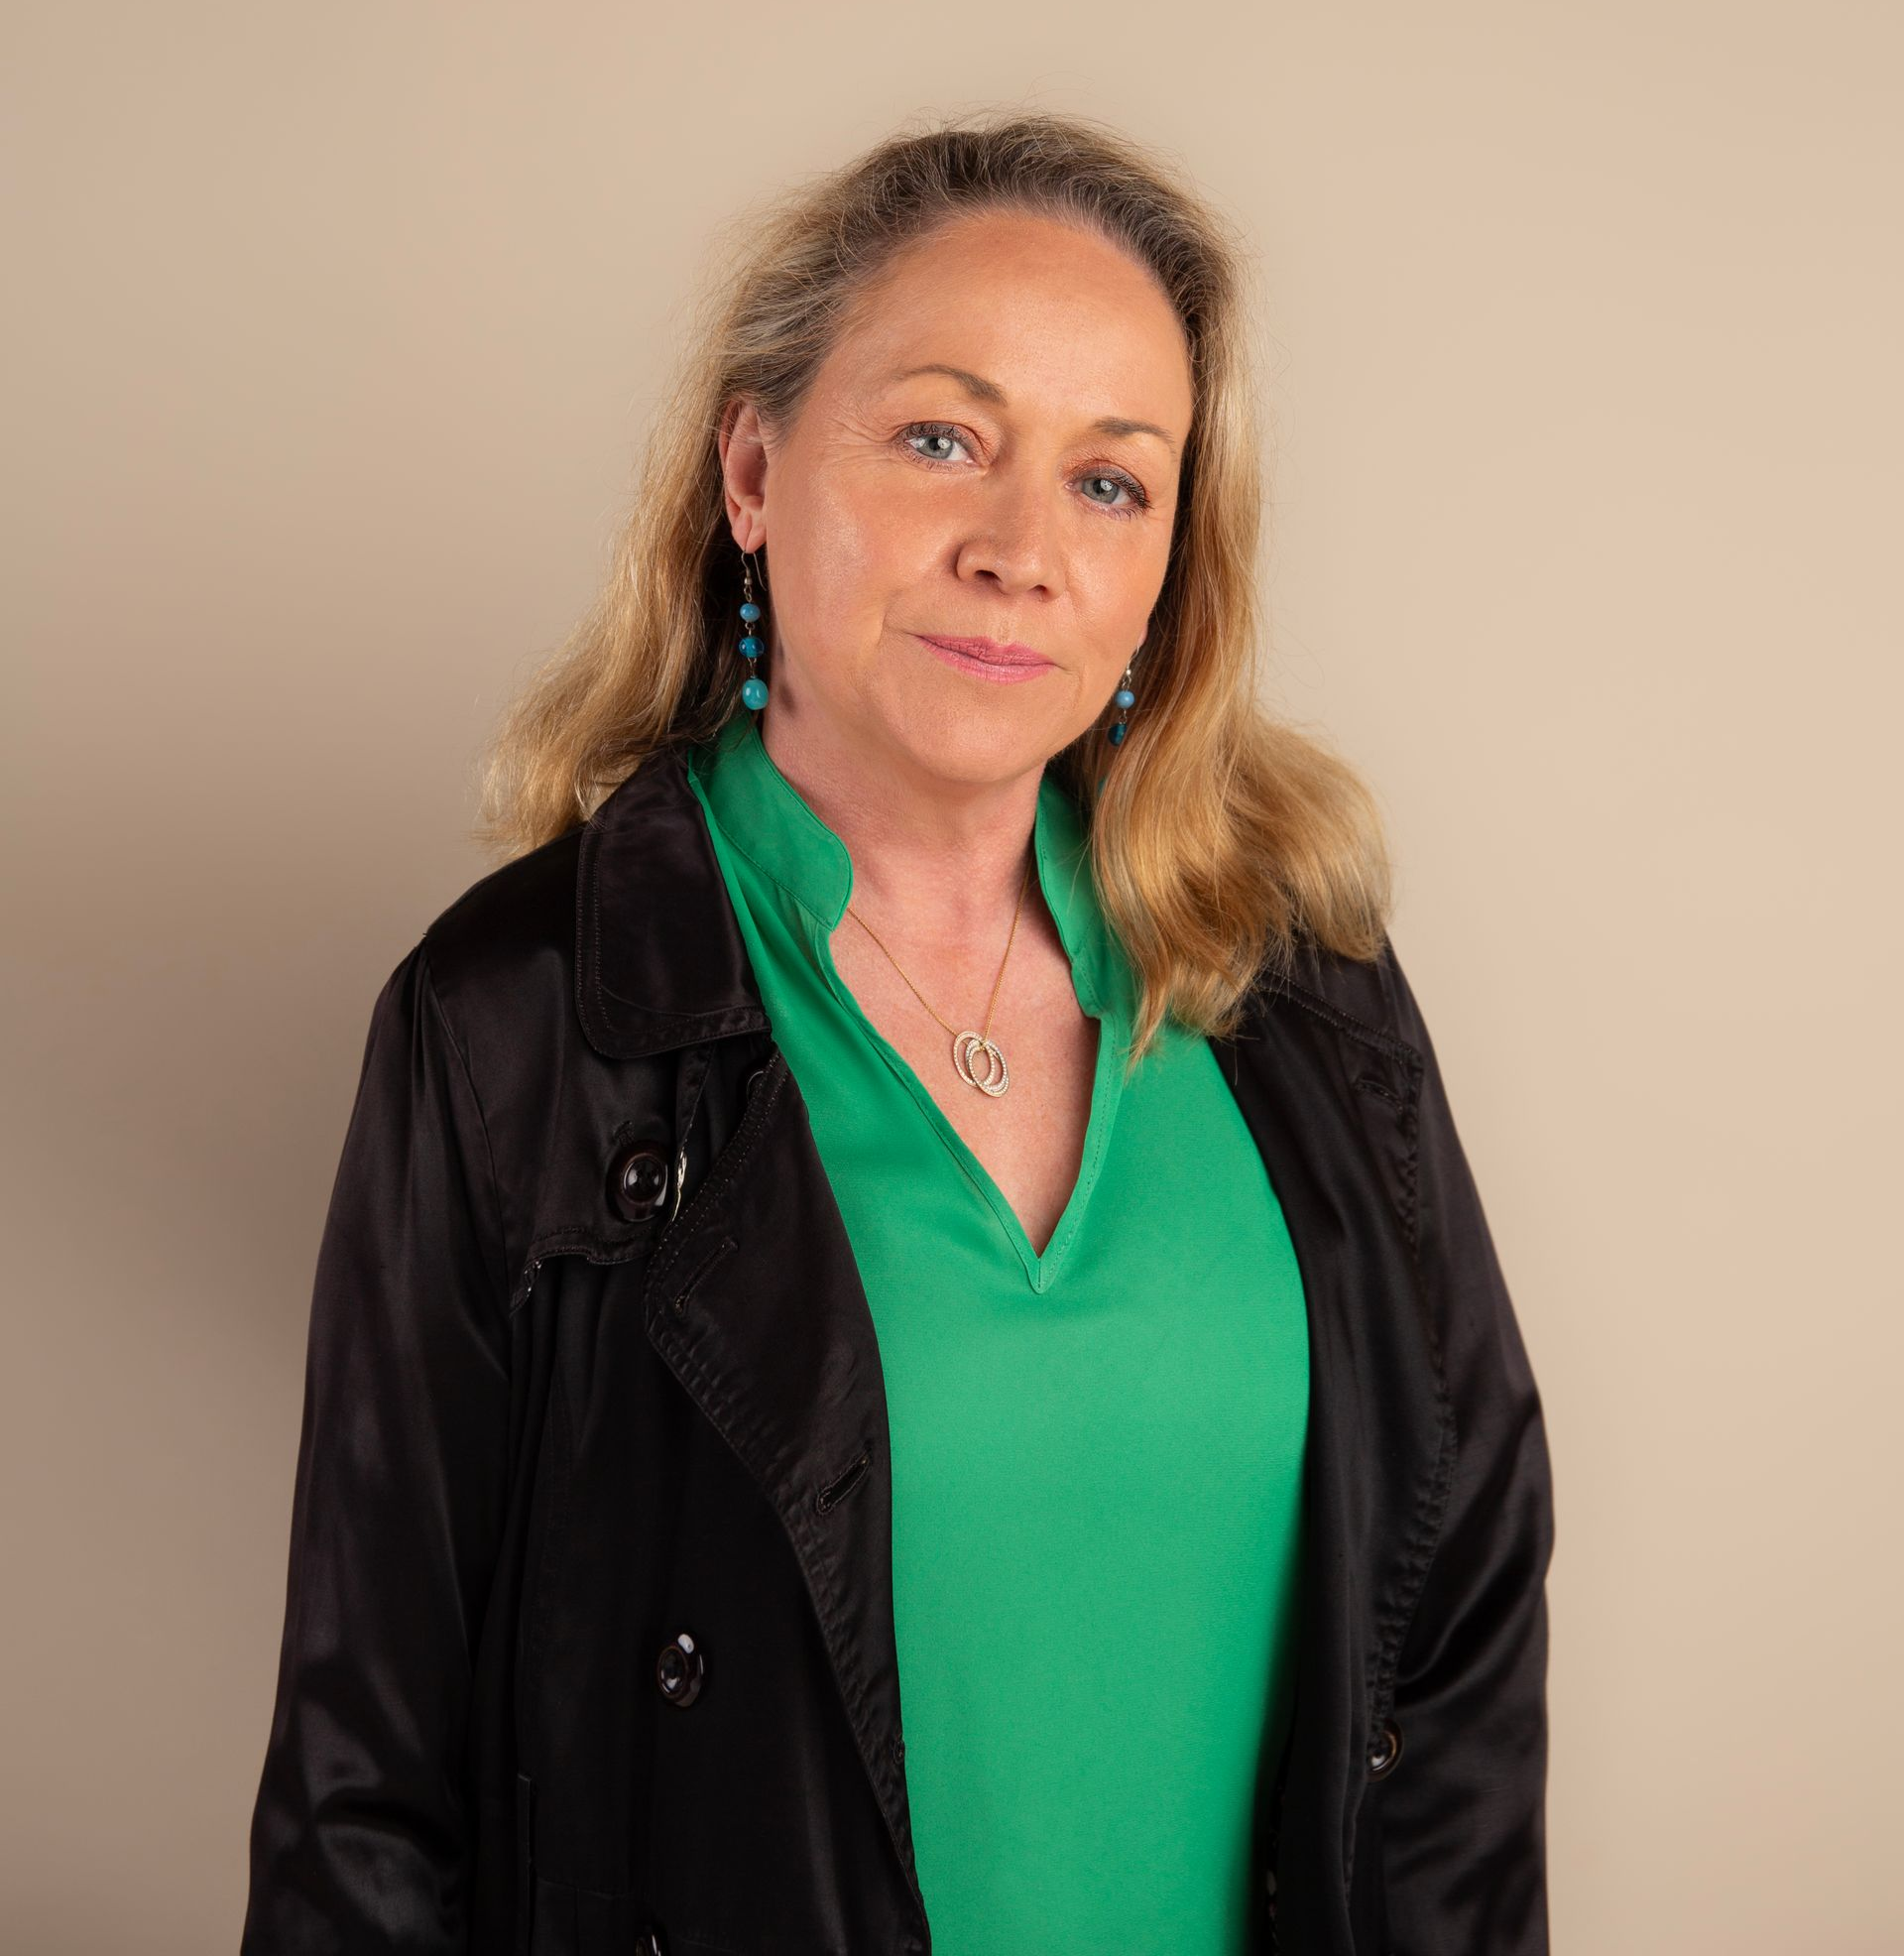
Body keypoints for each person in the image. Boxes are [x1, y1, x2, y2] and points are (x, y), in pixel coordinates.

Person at [240, 109, 1554, 1956]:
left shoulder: (1306, 990)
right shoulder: (519, 1027)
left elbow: (1462, 1659)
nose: (1022, 549)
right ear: (753, 468)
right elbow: (366, 1793)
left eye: (1113, 481)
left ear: (1172, 564)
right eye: (943, 439)